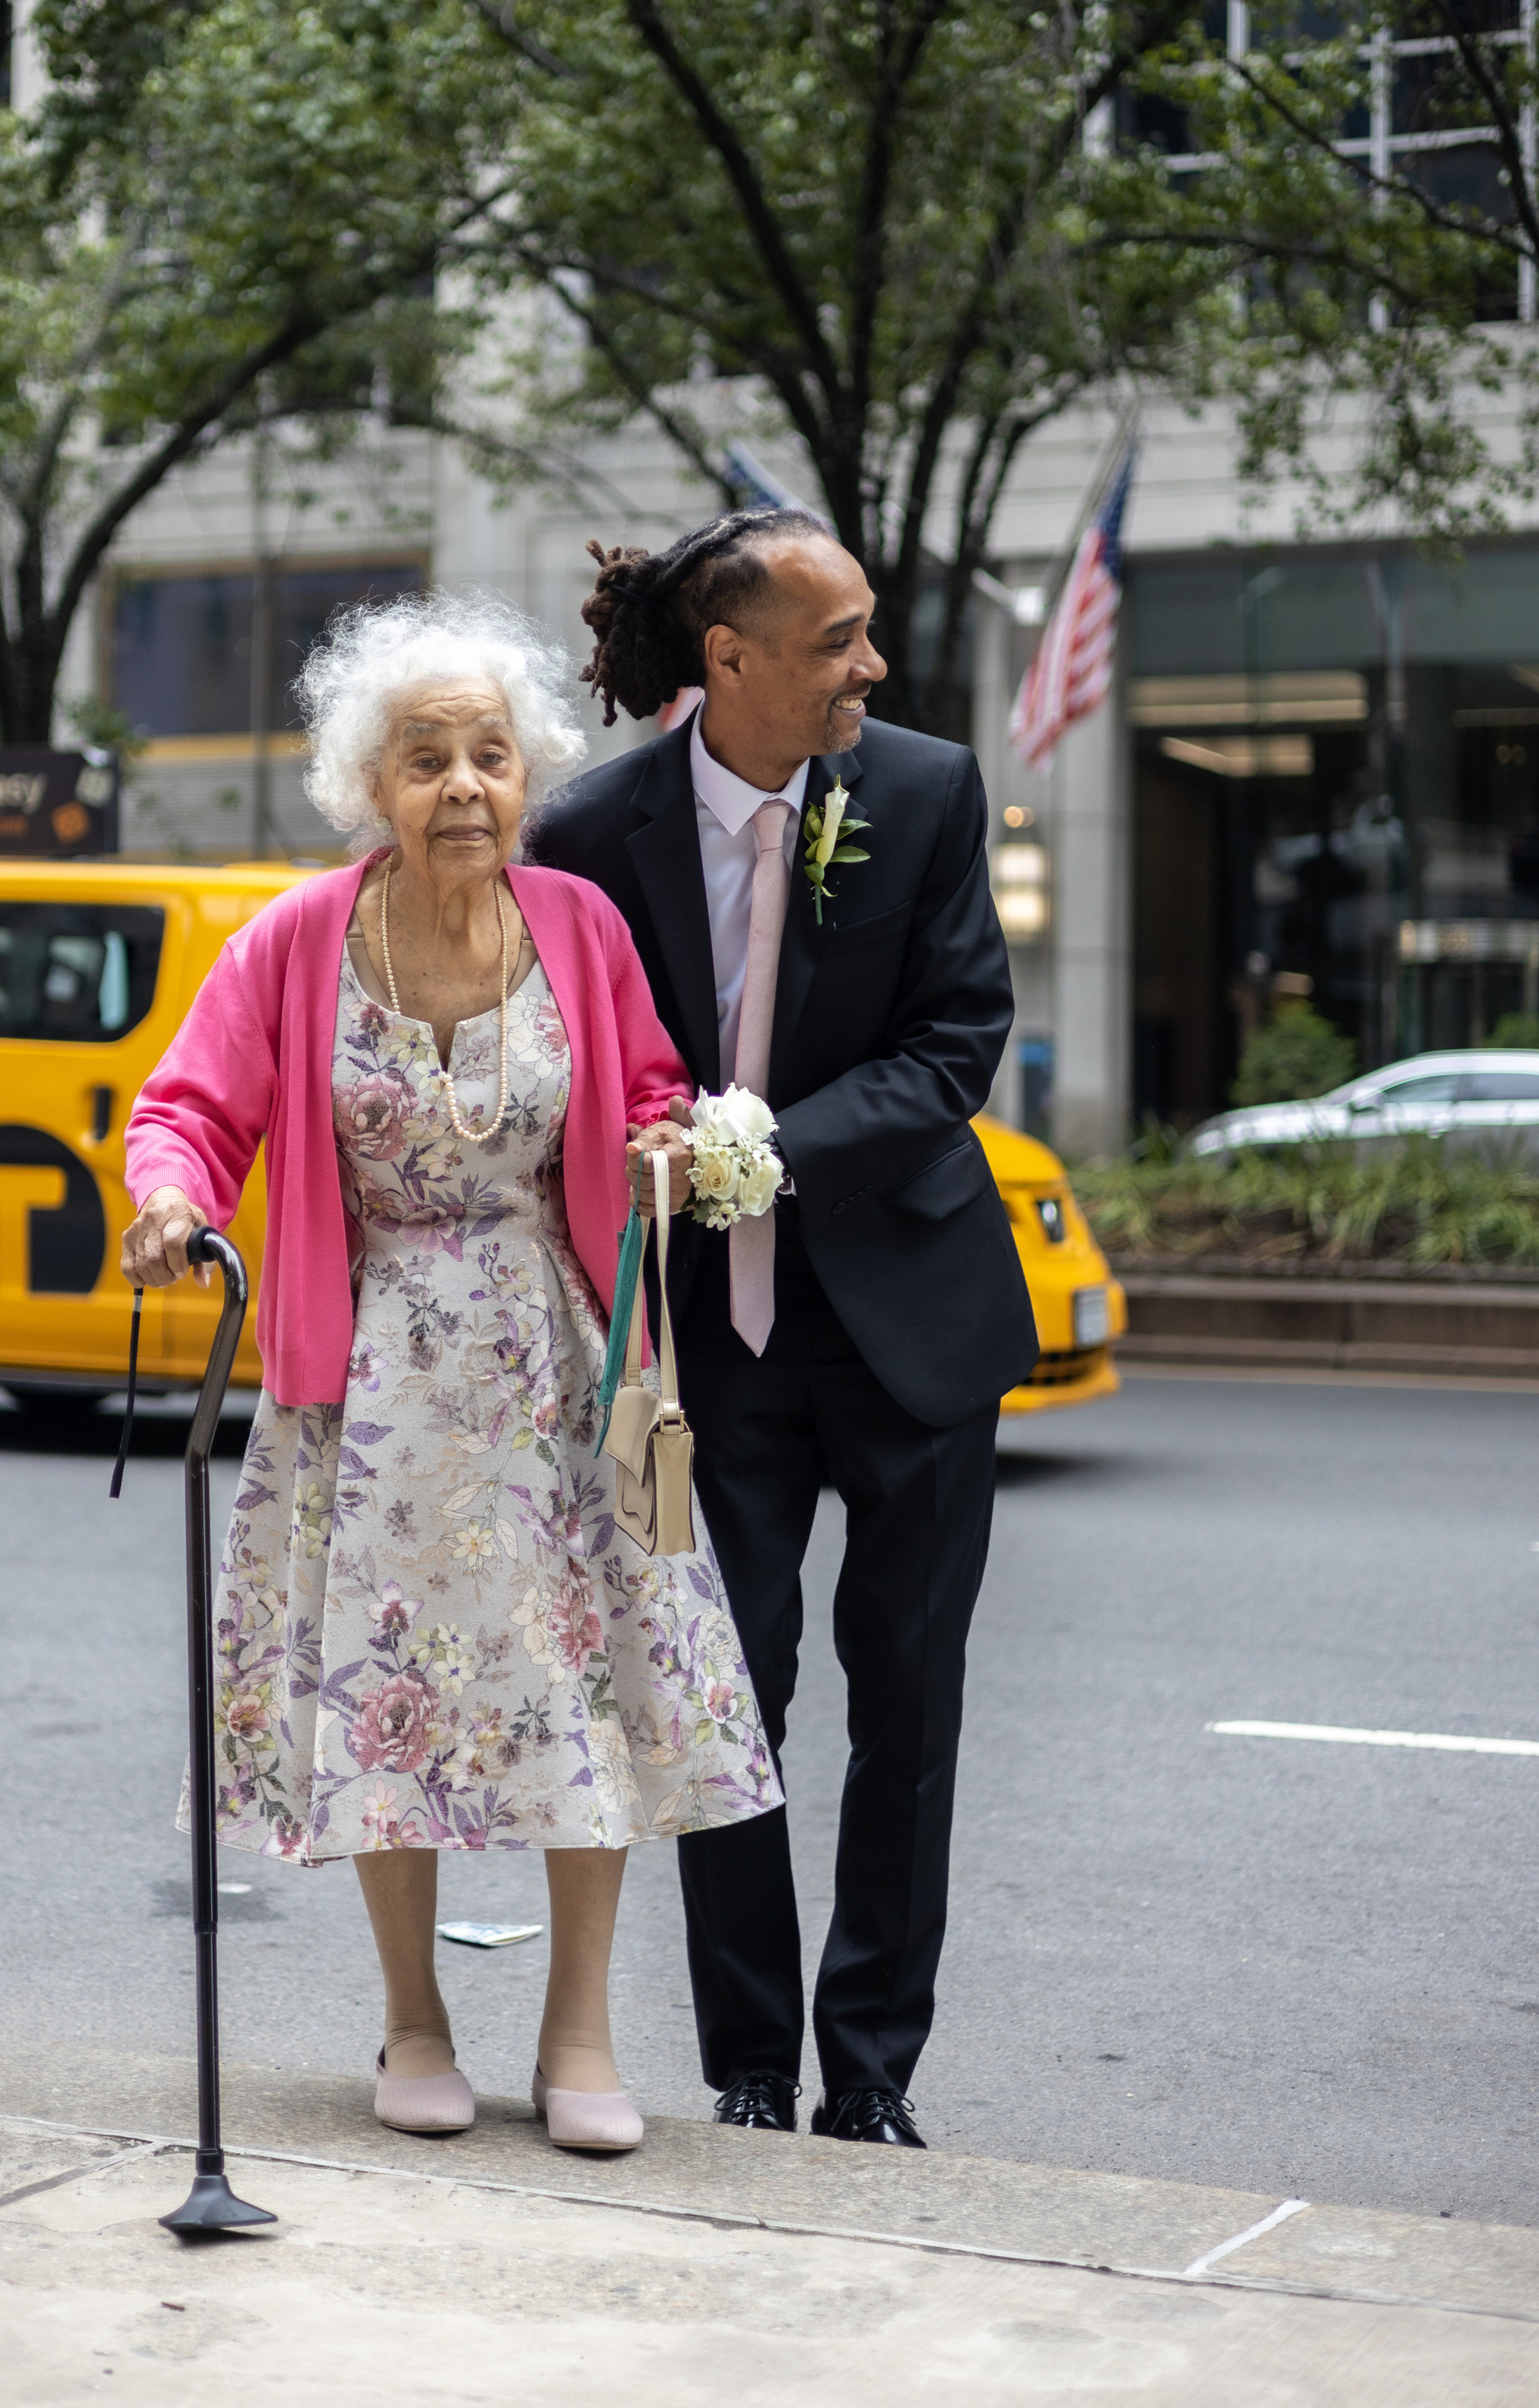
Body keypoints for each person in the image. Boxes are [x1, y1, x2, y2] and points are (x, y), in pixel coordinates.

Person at [120, 593, 781, 2157]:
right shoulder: (295, 940)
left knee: (585, 1689)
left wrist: (679, 1142)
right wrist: (169, 1205)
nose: (463, 789)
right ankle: (412, 2017)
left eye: (489, 756)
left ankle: (577, 2036)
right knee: (385, 1689)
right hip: (364, 1380)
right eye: (426, 761)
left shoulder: (579, 927)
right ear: (372, 786)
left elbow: (643, 1086)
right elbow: (189, 1112)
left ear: (527, 777)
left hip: (555, 1361)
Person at [527, 512, 1039, 2145]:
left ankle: (870, 2070)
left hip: (910, 1325)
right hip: (702, 1359)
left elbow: (956, 1039)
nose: (869, 668)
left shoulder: (926, 791)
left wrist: (755, 1149)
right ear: (730, 660)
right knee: (717, 1698)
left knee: (907, 1703)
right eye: (839, 641)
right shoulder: (587, 833)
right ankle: (747, 2066)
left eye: (868, 636)